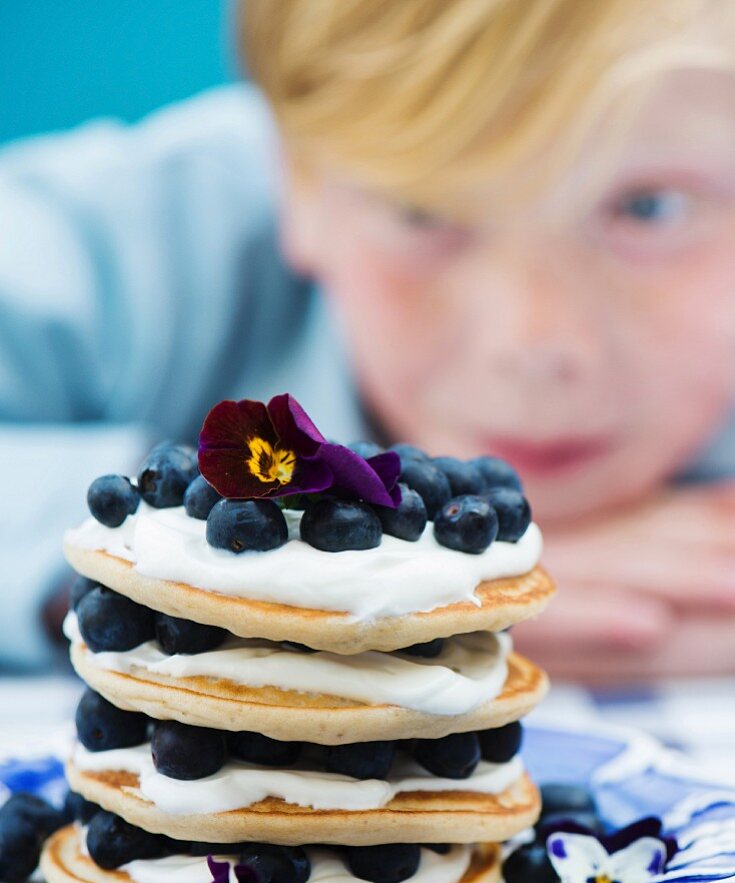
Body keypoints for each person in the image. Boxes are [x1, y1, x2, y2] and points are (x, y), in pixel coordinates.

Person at [1, 0, 734, 681]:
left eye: (648, 209)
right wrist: (246, 589)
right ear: (297, 181)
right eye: (422, 211)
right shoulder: (151, 233)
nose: (532, 344)